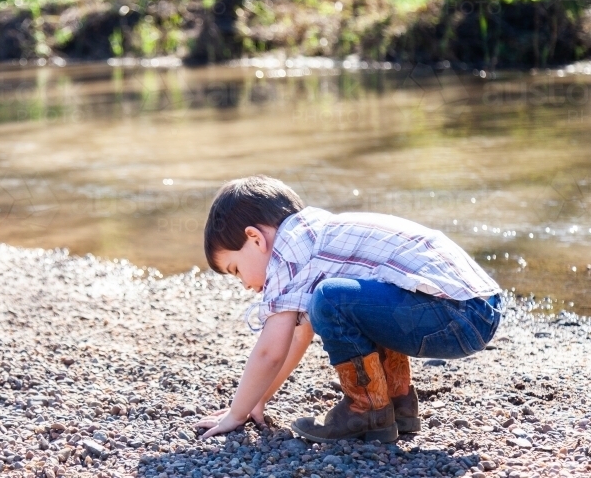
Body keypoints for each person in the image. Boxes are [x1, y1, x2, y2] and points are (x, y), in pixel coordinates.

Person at [194, 176, 501, 442]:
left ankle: (366, 409)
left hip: (453, 313)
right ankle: (396, 403)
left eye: (235, 270)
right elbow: (298, 337)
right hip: (479, 307)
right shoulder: (314, 235)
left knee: (330, 298)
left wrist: (234, 414)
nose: (244, 284)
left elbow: (269, 351)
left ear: (255, 238)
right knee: (351, 297)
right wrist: (256, 401)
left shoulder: (288, 254)